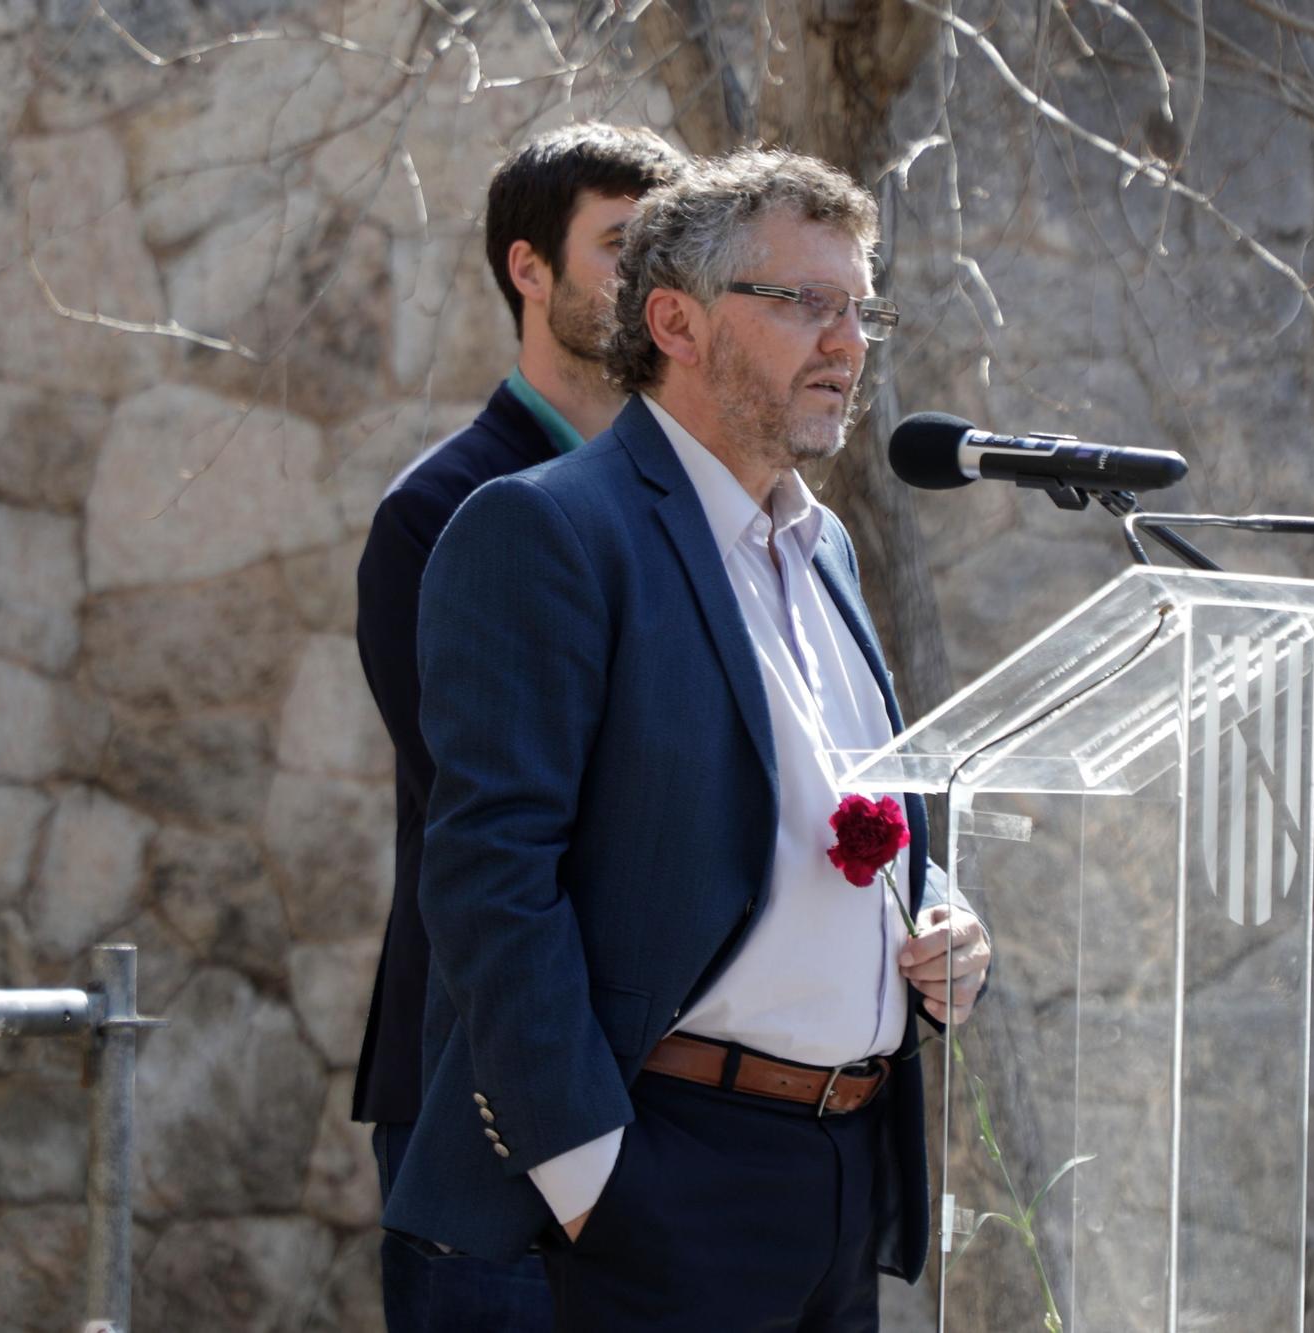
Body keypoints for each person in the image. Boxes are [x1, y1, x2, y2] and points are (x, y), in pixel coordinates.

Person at [382, 148, 992, 1331]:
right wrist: (589, 1176)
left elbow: (831, 809)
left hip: (839, 1181)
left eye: (860, 308)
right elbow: (489, 875)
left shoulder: (826, 549)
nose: (847, 342)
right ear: (675, 320)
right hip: (658, 1178)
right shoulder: (547, 531)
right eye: (803, 303)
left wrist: (937, 910)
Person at [352, 121, 682, 1332]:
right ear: (526, 268)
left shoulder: (693, 510)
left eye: (668, 247)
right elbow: (492, 827)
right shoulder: (433, 516)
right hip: (481, 1082)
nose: (652, 278)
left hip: (681, 1088)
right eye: (618, 247)